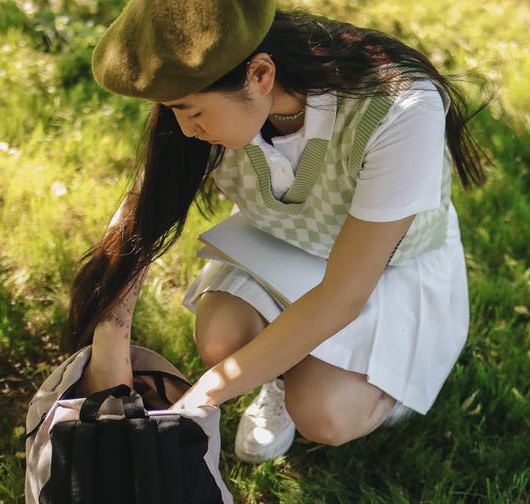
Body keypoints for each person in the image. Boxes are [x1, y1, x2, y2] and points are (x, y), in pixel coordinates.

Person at [63, 0, 486, 463]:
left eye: (193, 112)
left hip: (386, 265)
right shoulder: (212, 101)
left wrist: (205, 396)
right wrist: (110, 347)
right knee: (219, 340)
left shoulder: (401, 110)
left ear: (261, 75)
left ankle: (387, 392)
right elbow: (141, 212)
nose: (184, 130)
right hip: (287, 239)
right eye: (173, 111)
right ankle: (288, 371)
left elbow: (344, 294)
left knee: (326, 414)